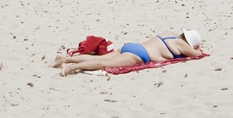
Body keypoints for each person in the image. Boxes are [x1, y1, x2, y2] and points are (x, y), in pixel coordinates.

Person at [49, 29, 203, 77]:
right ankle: (68, 68)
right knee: (103, 63)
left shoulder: (169, 33)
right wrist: (196, 48)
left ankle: (64, 58)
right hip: (140, 55)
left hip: (132, 46)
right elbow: (198, 55)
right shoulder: (183, 45)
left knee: (104, 58)